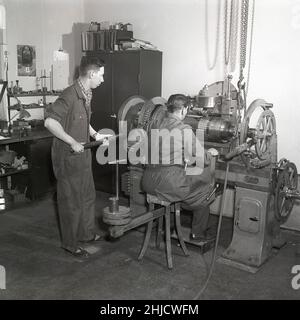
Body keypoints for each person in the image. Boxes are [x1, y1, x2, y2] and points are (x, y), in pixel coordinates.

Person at [44, 56, 107, 258]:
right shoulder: (69, 95)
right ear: (91, 74)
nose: (103, 80)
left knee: (87, 195)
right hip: (68, 156)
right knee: (70, 201)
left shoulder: (86, 93)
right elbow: (50, 123)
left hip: (83, 153)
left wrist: (96, 135)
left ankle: (87, 234)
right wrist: (71, 141)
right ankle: (70, 244)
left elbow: (83, 121)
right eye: (101, 75)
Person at [141, 94, 218, 241]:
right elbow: (203, 159)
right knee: (206, 191)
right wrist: (210, 154)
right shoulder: (184, 129)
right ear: (183, 110)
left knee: (182, 182)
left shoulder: (154, 126)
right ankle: (198, 233)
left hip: (148, 182)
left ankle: (166, 226)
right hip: (169, 185)